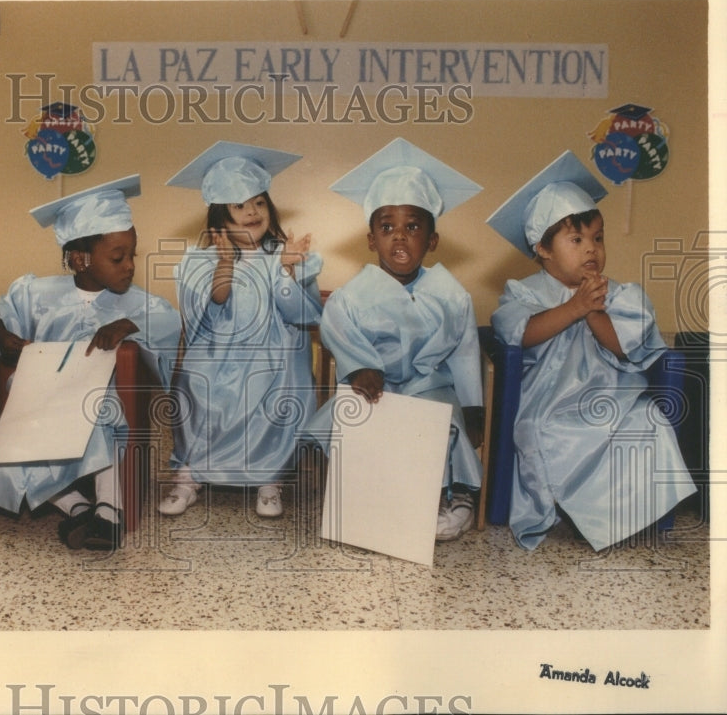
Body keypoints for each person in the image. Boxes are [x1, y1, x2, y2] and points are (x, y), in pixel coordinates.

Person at [486, 150, 697, 551]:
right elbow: (520, 333)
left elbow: (624, 348)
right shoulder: (524, 292)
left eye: (598, 238)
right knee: (546, 433)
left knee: (650, 419)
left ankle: (628, 515)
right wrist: (574, 307)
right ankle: (580, 514)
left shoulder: (618, 294)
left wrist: (594, 309)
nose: (591, 250)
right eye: (576, 239)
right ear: (542, 249)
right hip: (550, 403)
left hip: (612, 397)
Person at [0, 176, 180, 551]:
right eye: (117, 257)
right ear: (81, 259)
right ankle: (77, 507)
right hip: (39, 403)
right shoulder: (37, 293)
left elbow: (168, 321)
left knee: (104, 414)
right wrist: (2, 334)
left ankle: (110, 510)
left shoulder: (136, 303)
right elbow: (1, 310)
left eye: (132, 255)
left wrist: (130, 324)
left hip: (97, 406)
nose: (129, 266)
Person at [304, 137, 485, 541]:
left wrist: (474, 408)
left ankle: (452, 500)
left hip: (429, 387)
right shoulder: (352, 295)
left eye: (413, 227)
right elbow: (335, 328)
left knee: (443, 418)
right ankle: (372, 502)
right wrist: (360, 368)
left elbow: (465, 354)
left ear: (432, 241)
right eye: (387, 228)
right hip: (375, 385)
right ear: (371, 240)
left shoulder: (451, 293)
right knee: (352, 415)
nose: (399, 238)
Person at [160, 141, 323, 518]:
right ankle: (190, 475)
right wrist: (225, 263)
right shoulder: (199, 260)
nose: (252, 211)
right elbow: (213, 305)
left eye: (259, 202)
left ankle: (270, 477)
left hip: (275, 355)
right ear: (220, 217)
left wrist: (285, 270)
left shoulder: (286, 253)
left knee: (280, 382)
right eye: (239, 205)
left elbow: (304, 314)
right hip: (218, 354)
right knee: (198, 379)